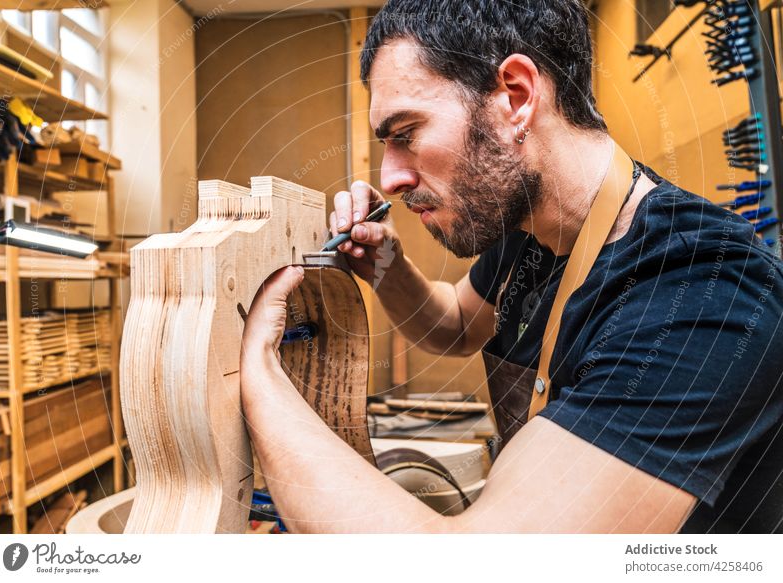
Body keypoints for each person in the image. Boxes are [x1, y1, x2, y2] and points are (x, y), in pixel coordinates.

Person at [240, 0, 783, 533]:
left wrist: (258, 370)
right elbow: (455, 324)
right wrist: (384, 262)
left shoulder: (702, 292)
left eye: (406, 134)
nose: (392, 179)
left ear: (516, 98)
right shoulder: (525, 225)